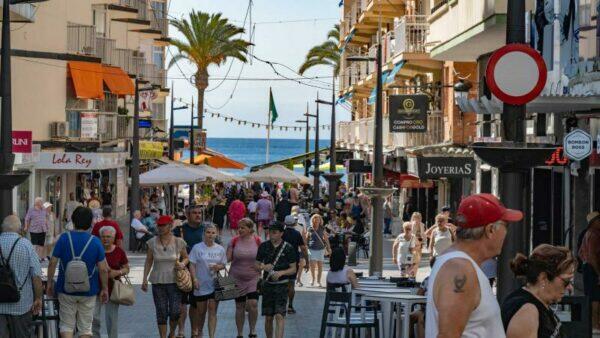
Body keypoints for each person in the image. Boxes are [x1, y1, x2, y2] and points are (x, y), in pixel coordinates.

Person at [425, 193, 523, 337]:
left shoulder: (458, 263)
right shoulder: (460, 268)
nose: (506, 233)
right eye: (505, 225)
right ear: (490, 230)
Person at [46, 206, 109, 338]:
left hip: (65, 288)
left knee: (66, 325)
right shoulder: (95, 242)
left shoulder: (63, 239)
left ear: (73, 221)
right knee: (85, 327)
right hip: (89, 290)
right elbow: (103, 269)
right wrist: (104, 288)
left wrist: (50, 282)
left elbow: (52, 262)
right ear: (90, 222)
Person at [501, 244, 575, 338]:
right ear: (543, 278)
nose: (570, 288)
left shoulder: (538, 304)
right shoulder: (527, 312)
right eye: (566, 281)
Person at [141, 215, 188, 338]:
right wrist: (144, 279)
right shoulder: (152, 242)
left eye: (164, 225)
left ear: (170, 225)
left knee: (175, 312)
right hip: (158, 281)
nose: (161, 228)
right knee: (161, 312)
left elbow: (186, 257)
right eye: (159, 225)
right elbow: (148, 261)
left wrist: (182, 264)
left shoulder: (178, 241)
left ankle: (171, 333)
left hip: (175, 280)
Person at [0, 215, 43, 338]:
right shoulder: (26, 245)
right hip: (21, 305)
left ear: (3, 228)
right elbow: (36, 276)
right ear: (19, 230)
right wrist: (38, 298)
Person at [255, 221, 297, 338]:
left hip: (282, 285)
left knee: (279, 315)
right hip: (268, 285)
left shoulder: (288, 248)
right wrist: (263, 267)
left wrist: (281, 273)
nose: (271, 234)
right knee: (268, 317)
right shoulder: (263, 246)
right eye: (270, 232)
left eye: (274, 232)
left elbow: (293, 269)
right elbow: (256, 264)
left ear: (281, 233)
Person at [187, 224, 226, 338]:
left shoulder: (220, 249)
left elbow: (223, 264)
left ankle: (212, 335)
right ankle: (199, 332)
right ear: (204, 234)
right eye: (208, 232)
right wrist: (194, 279)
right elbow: (192, 264)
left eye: (213, 233)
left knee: (212, 311)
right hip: (200, 283)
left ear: (216, 234)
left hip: (215, 283)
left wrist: (218, 267)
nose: (211, 235)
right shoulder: (197, 248)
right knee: (201, 312)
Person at [172, 205, 205, 338]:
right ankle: (181, 330)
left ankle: (194, 330)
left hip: (200, 272)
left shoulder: (206, 230)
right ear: (187, 214)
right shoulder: (179, 230)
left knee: (196, 304)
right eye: (194, 213)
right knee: (181, 303)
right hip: (183, 272)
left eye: (200, 213)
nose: (198, 215)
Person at [92, 226, 129, 338]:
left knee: (111, 320)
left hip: (113, 289)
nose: (105, 239)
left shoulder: (119, 251)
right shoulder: (95, 250)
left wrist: (117, 272)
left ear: (113, 238)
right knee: (94, 318)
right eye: (103, 236)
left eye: (108, 236)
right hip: (95, 288)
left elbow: (127, 268)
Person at [228, 218, 262, 338]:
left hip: (253, 277)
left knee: (253, 304)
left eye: (243, 227)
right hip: (236, 277)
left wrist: (263, 268)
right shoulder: (234, 241)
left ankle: (252, 331)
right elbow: (227, 258)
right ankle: (240, 333)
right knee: (239, 306)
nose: (240, 229)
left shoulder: (258, 241)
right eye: (239, 227)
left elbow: (263, 259)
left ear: (250, 229)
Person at [578, 211, 600, 333]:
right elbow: (592, 256)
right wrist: (598, 272)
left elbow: (580, 253)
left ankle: (595, 325)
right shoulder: (594, 234)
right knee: (595, 297)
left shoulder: (587, 234)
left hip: (588, 267)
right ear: (593, 222)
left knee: (593, 296)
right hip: (592, 268)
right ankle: (595, 325)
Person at [282, 215, 308, 314]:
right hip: (293, 261)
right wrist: (307, 261)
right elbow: (303, 248)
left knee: (282, 283)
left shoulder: (281, 233)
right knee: (291, 284)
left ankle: (282, 305)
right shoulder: (297, 234)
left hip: (282, 261)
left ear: (285, 223)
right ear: (294, 223)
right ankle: (290, 305)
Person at [306, 214, 329, 287]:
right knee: (312, 265)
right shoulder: (310, 228)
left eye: (318, 219)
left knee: (320, 266)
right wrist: (306, 247)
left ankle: (318, 281)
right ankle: (313, 279)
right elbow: (307, 238)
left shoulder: (322, 228)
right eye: (315, 219)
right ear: (313, 220)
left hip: (320, 249)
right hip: (312, 248)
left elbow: (326, 238)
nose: (316, 221)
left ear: (320, 220)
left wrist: (329, 247)